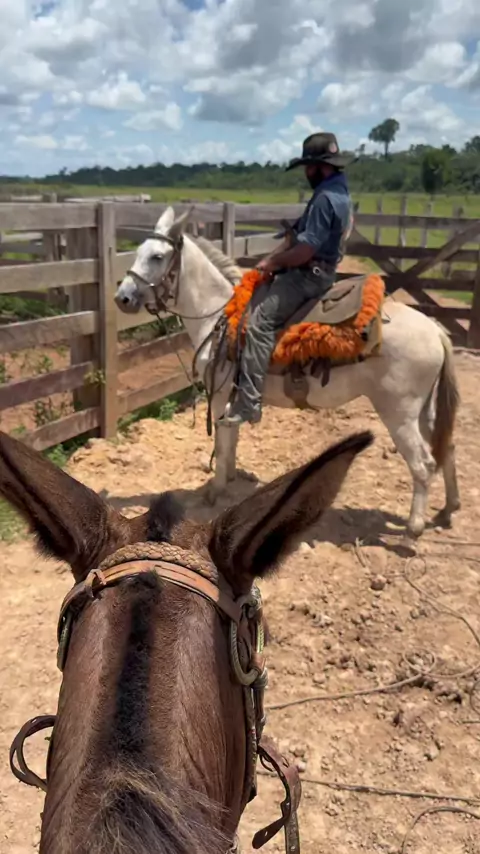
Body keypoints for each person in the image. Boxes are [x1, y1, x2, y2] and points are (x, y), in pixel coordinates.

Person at [221, 131, 356, 427]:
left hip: (308, 276)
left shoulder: (324, 199)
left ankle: (249, 402)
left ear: (320, 167)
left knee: (259, 323)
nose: (306, 173)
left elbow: (304, 251)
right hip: (324, 270)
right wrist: (269, 260)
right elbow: (296, 239)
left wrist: (273, 262)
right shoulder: (340, 192)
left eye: (309, 167)